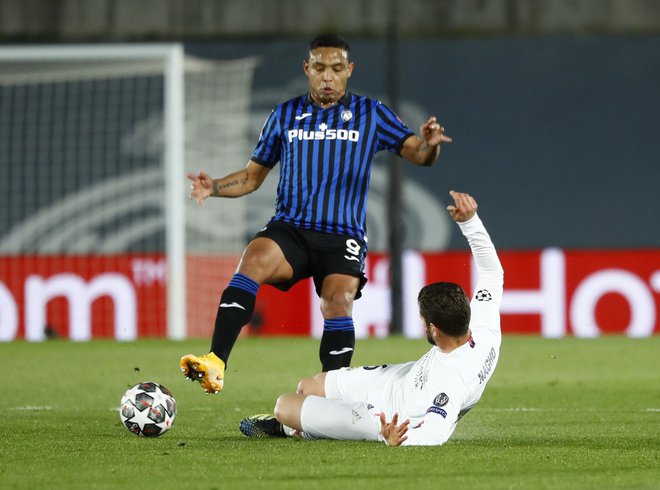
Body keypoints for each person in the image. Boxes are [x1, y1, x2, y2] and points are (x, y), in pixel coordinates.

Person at [180, 34, 452, 394]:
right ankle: (215, 361)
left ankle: (331, 394)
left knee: (337, 303)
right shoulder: (284, 115)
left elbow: (418, 154)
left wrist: (430, 145)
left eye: (337, 69)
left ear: (349, 70)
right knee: (253, 259)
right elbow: (251, 176)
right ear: (307, 69)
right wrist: (213, 186)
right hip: (291, 228)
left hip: (342, 235)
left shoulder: (372, 114)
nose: (328, 77)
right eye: (320, 68)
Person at [239, 191, 503, 446]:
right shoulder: (483, 328)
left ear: (434, 330)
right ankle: (317, 422)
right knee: (307, 386)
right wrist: (470, 222)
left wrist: (397, 438)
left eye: (422, 320)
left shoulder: (451, 381)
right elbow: (492, 273)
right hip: (398, 379)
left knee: (284, 407)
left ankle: (296, 430)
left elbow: (435, 434)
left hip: (385, 416)